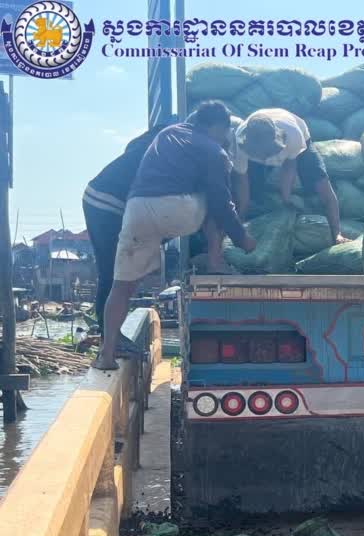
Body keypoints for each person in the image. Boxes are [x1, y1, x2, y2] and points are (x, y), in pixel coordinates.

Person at [92, 101, 254, 371]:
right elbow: (222, 204)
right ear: (219, 126)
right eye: (226, 132)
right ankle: (215, 261)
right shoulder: (214, 151)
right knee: (216, 200)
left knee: (121, 287)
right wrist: (242, 238)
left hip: (137, 209)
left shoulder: (168, 133)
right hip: (175, 211)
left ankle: (107, 355)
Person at [82, 124, 166, 351]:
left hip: (101, 197)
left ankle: (110, 335)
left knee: (115, 273)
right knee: (113, 273)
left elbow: (131, 146)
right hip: (108, 202)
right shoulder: (177, 143)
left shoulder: (159, 138)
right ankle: (110, 337)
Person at [233, 108, 343, 241]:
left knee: (320, 182)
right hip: (257, 145)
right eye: (260, 154)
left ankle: (337, 233)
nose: (265, 158)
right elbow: (242, 182)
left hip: (298, 137)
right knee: (254, 191)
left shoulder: (293, 136)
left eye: (268, 152)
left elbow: (289, 166)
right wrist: (240, 220)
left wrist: (286, 198)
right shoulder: (240, 144)